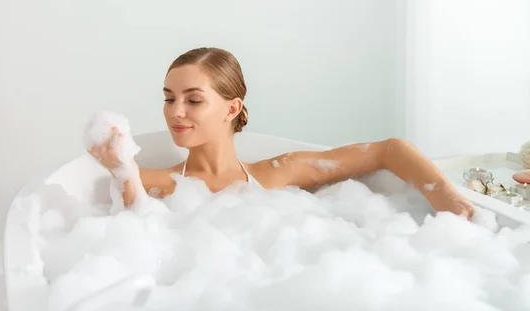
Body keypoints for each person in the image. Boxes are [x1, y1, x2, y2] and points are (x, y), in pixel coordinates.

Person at [89, 47, 475, 219]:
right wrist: (120, 169)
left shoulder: (277, 174)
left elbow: (390, 150)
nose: (176, 112)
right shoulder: (160, 183)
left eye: (193, 100)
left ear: (232, 108)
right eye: (169, 98)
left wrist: (449, 200)